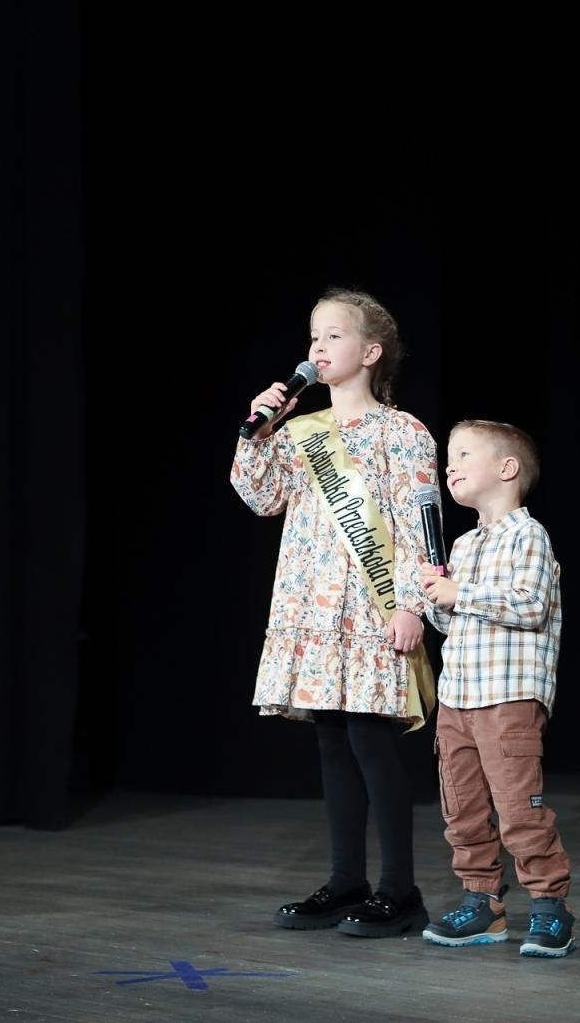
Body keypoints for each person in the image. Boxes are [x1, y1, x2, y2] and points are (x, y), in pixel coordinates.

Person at [230, 287, 437, 938]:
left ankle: (399, 890)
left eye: (334, 336)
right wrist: (257, 428)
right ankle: (347, 879)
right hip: (313, 605)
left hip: (372, 607)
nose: (317, 348)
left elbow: (418, 525)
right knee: (331, 740)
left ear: (371, 351)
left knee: (371, 741)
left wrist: (411, 602)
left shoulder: (403, 432)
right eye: (313, 338)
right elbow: (260, 497)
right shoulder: (299, 432)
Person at [418, 420, 574, 958]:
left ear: (506, 470)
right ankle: (482, 903)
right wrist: (435, 598)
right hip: (457, 698)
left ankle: (551, 907)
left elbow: (529, 605)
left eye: (463, 455)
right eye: (448, 457)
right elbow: (451, 623)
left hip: (507, 698)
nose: (450, 466)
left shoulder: (528, 536)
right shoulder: (460, 545)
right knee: (460, 807)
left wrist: (459, 593)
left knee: (517, 808)